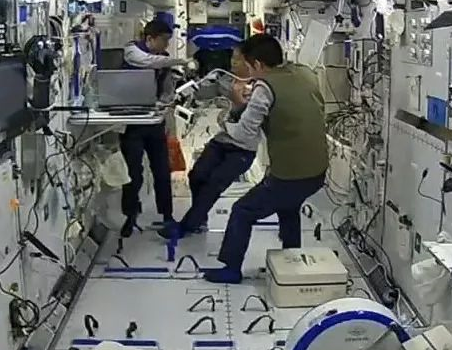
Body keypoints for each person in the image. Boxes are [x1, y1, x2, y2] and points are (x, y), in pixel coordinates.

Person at [202, 34, 328, 284]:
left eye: (249, 67)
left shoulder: (264, 88)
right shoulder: (305, 73)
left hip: (291, 175)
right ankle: (291, 258)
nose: (248, 74)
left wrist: (225, 119)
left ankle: (231, 269)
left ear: (258, 64)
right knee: (288, 206)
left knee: (242, 210)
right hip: (317, 171)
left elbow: (243, 134)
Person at [158, 44, 260, 238]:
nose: (233, 62)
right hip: (222, 140)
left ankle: (187, 226)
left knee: (214, 183)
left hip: (243, 148)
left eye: (238, 59)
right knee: (197, 176)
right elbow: (204, 94)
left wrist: (237, 102)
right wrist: (191, 84)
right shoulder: (226, 80)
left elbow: (248, 119)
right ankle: (199, 218)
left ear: (250, 62)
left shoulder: (259, 87)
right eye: (232, 58)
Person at [119, 20, 188, 237]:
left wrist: (164, 103)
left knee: (162, 171)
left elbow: (167, 91)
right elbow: (147, 62)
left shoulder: (164, 60)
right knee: (133, 173)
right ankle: (129, 215)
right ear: (150, 38)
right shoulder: (132, 51)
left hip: (154, 122)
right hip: (133, 124)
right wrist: (181, 60)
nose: (166, 45)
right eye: (164, 40)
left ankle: (167, 215)